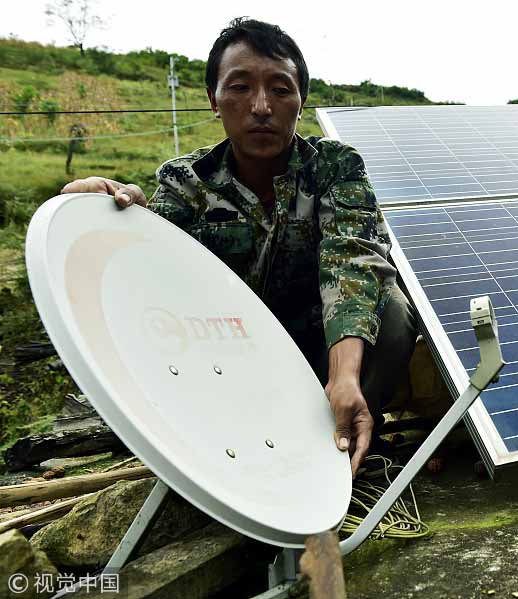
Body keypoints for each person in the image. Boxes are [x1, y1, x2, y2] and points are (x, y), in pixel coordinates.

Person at [60, 17, 417, 476]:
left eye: (281, 89)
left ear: (301, 102)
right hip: (232, 356)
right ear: (214, 100)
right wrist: (118, 216)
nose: (262, 106)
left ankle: (339, 435)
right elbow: (157, 277)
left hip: (322, 348)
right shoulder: (185, 182)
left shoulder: (335, 166)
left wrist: (343, 376)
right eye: (241, 87)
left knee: (390, 312)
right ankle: (233, 449)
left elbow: (354, 262)